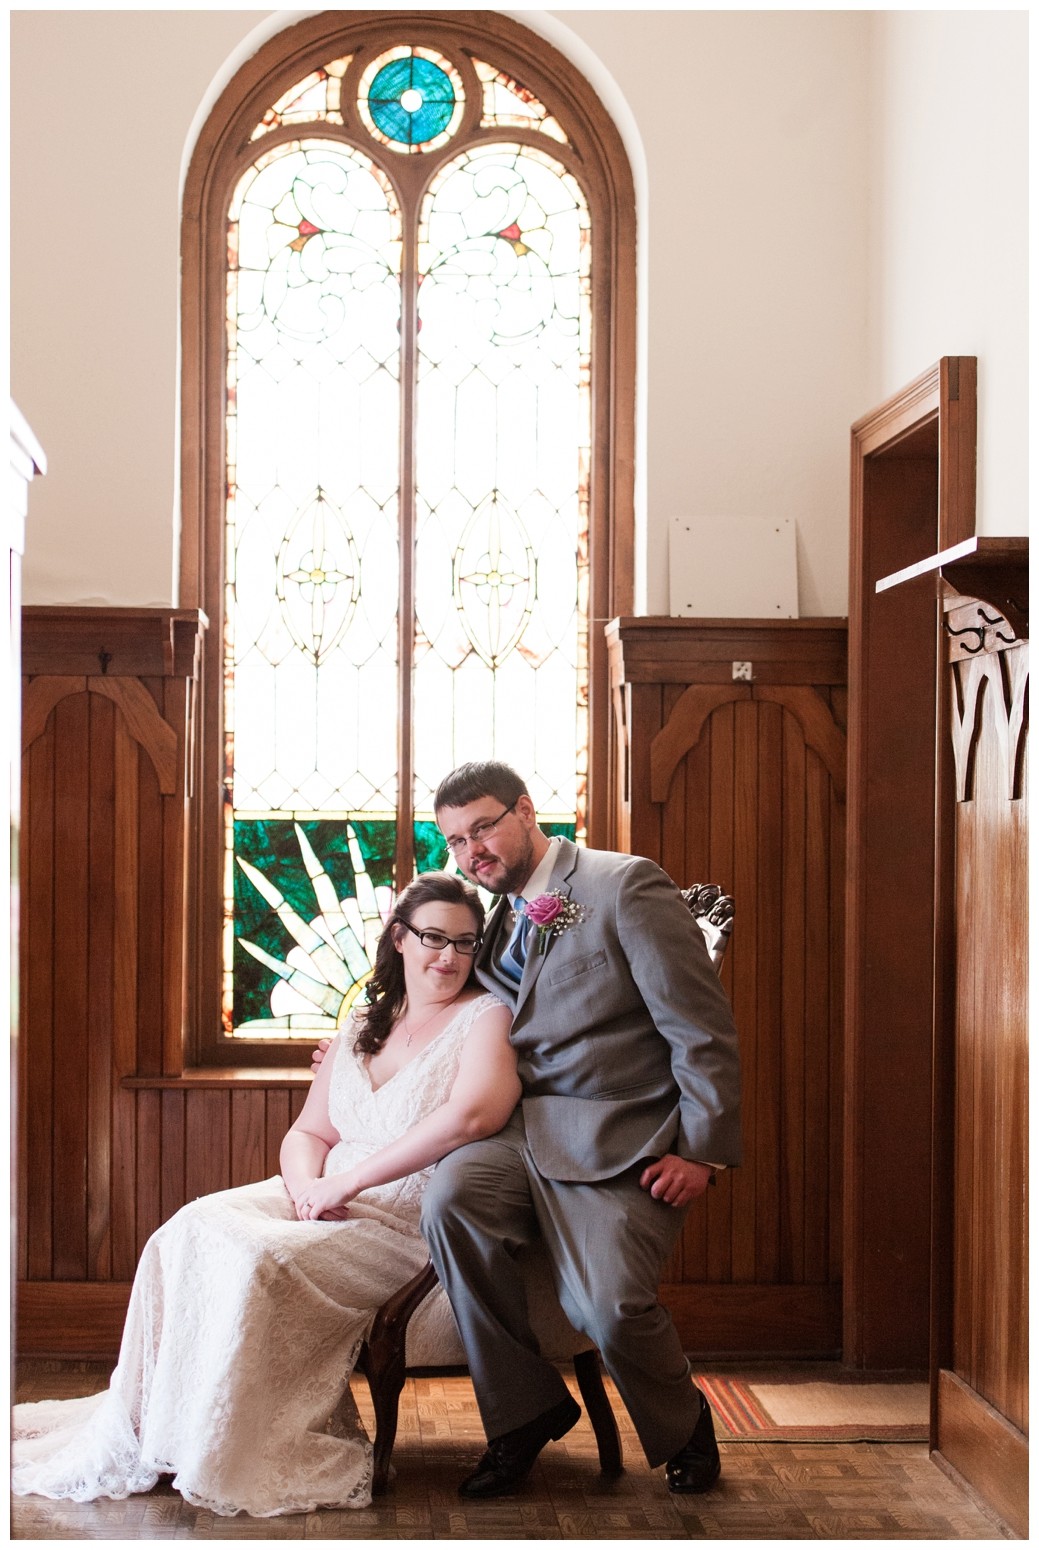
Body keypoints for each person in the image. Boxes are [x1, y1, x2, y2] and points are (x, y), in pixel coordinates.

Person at [12, 873, 517, 1518]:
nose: (449, 956)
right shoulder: (365, 1019)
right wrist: (307, 1189)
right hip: (317, 1193)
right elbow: (310, 1132)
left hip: (398, 1224)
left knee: (260, 1259)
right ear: (399, 939)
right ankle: (156, 1429)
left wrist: (346, 1183)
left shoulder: (486, 1017)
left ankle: (229, 1445)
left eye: (466, 943)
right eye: (434, 938)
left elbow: (474, 1115)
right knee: (185, 1228)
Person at [423, 761, 741, 1499]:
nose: (472, 851)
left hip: (622, 1138)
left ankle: (684, 1423)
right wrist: (361, 1045)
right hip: (519, 1133)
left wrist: (702, 1152)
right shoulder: (493, 914)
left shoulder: (623, 884)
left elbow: (700, 1028)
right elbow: (453, 1008)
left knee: (608, 1310)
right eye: (456, 841)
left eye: (483, 828)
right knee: (450, 1200)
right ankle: (522, 1413)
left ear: (525, 810)